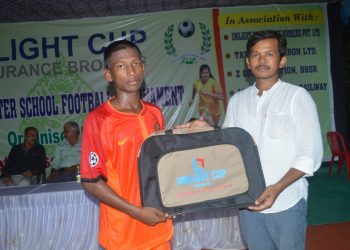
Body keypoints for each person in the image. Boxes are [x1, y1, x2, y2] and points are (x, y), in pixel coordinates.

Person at [177, 30, 323, 250]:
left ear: (282, 60)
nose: (261, 60)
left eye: (269, 54)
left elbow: (309, 155)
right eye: (255, 54)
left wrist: (277, 188)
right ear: (247, 61)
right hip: (248, 203)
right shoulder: (237, 100)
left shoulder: (297, 97)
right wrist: (208, 128)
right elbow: (230, 145)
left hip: (286, 201)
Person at [80, 40, 173, 250]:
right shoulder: (99, 119)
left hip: (159, 226)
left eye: (136, 64)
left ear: (143, 67)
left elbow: (164, 163)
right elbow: (91, 181)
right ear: (109, 75)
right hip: (123, 234)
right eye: (121, 66)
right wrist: (137, 212)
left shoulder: (155, 112)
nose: (131, 71)